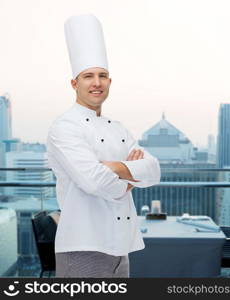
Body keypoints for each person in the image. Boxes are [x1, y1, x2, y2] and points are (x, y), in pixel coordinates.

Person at [46, 14, 161, 278]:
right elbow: (95, 182)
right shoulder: (64, 127)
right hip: (83, 246)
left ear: (110, 82)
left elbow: (153, 169)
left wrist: (113, 167)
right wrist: (131, 177)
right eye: (88, 76)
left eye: (103, 76)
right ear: (74, 83)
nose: (96, 83)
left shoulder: (118, 127)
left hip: (121, 246)